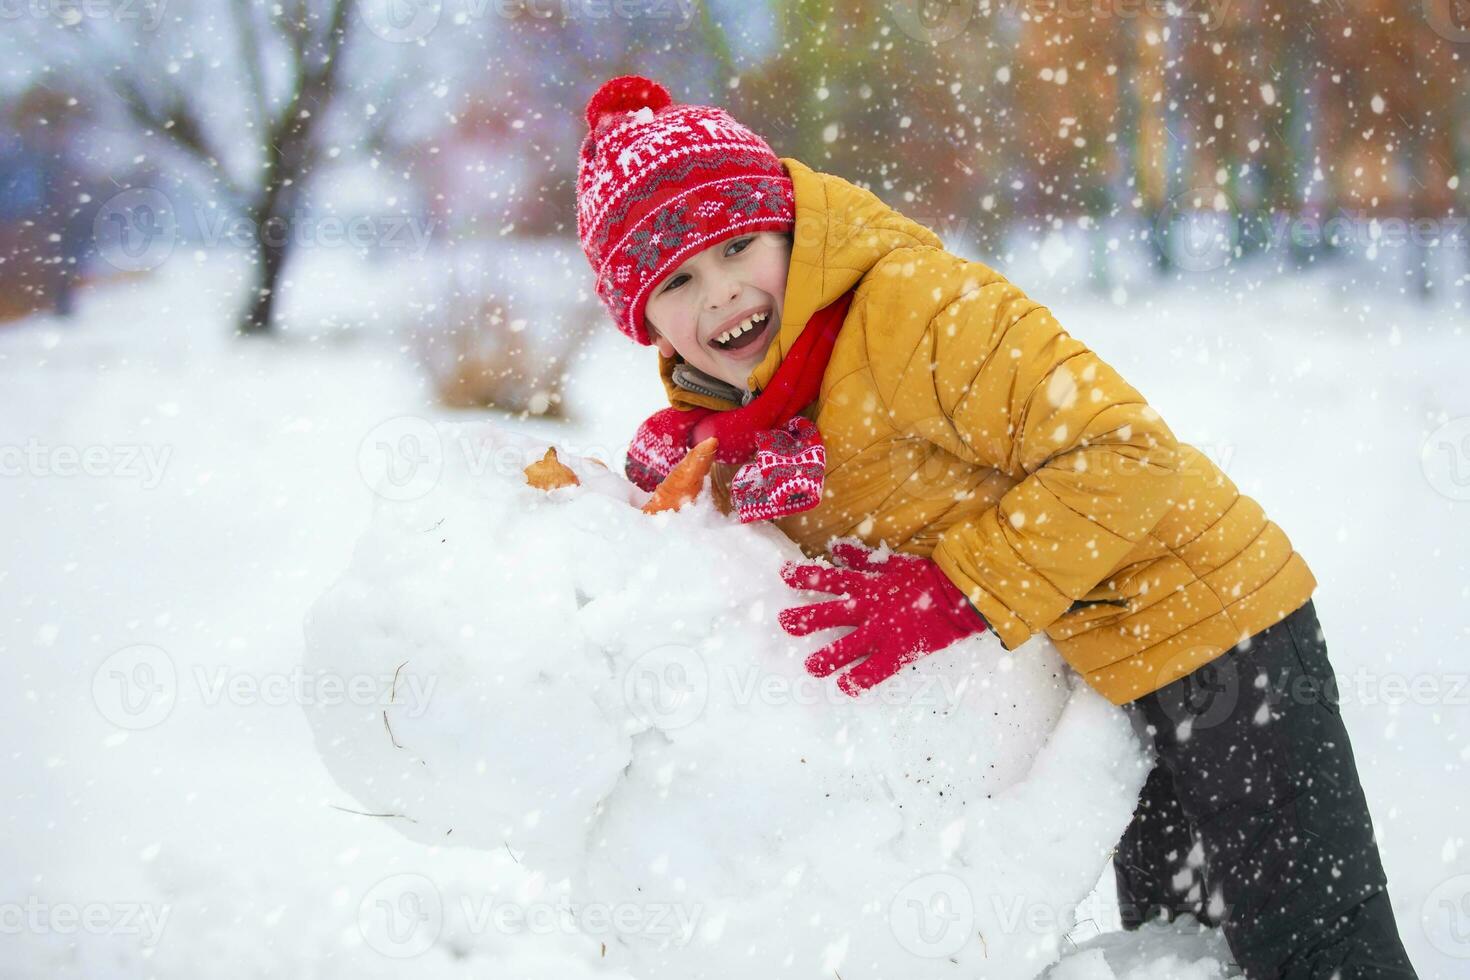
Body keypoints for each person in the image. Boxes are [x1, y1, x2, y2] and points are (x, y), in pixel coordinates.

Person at [574, 73, 1419, 978]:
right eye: (677, 281)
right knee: (1185, 955)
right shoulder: (750, 411)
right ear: (642, 322)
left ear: (790, 226)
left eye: (740, 245)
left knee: (1319, 950)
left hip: (1221, 628)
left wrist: (959, 587)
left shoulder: (915, 309)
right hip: (1101, 670)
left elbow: (1125, 450)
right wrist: (693, 487)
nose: (721, 294)